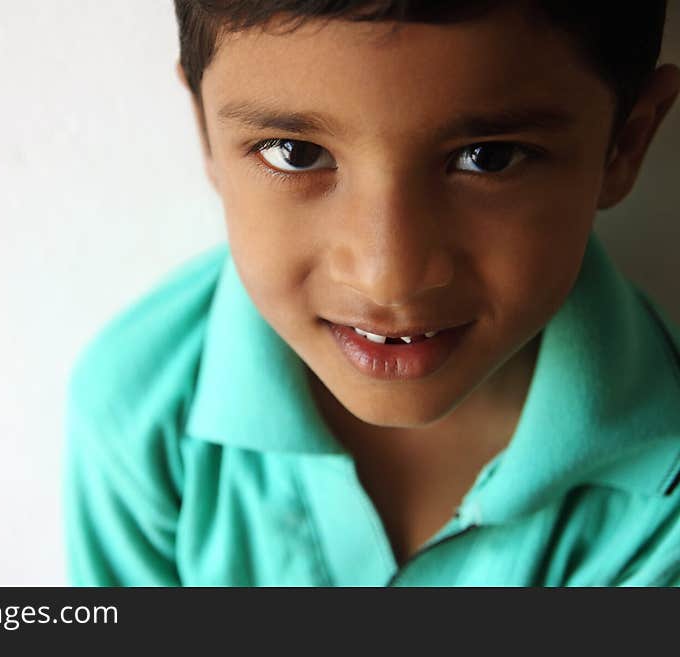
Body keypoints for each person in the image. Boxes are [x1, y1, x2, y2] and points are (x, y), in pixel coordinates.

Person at [64, 0, 680, 585]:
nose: (387, 277)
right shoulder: (141, 415)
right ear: (204, 131)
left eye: (488, 158)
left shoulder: (666, 492)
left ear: (624, 143)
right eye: (296, 153)